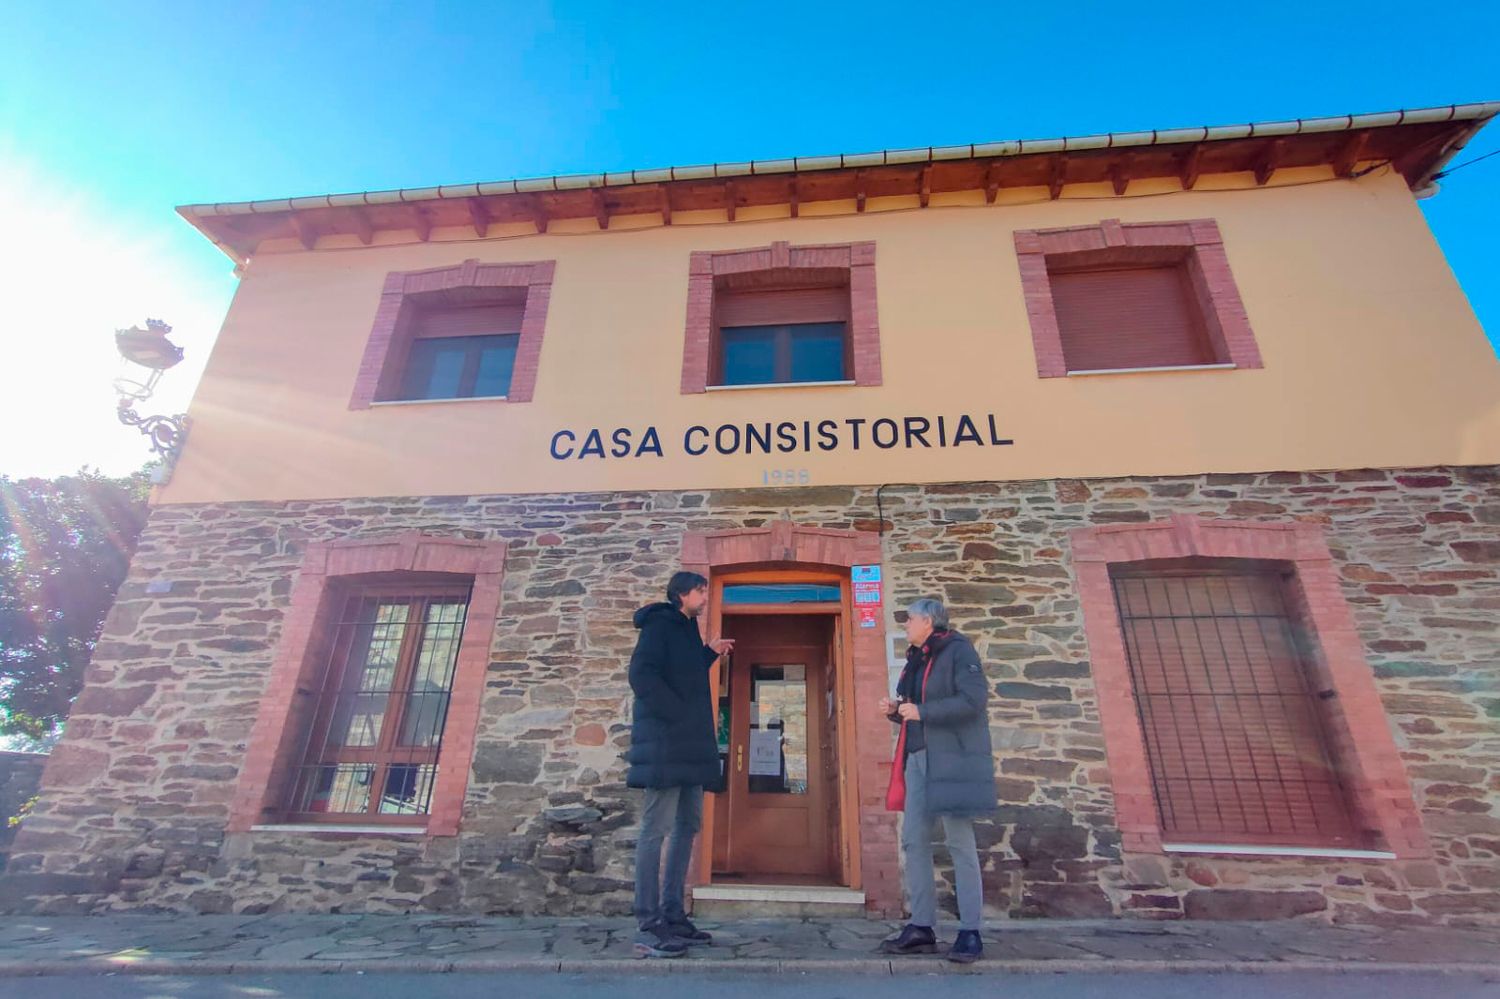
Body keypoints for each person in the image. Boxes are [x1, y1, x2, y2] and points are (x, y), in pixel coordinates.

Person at [878, 597, 997, 964]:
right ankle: (922, 926)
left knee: (960, 842)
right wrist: (898, 712)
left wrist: (923, 711)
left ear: (929, 621)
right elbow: (917, 709)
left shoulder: (959, 651)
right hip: (916, 758)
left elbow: (974, 700)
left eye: (910, 620)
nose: (906, 626)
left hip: (951, 761)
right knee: (914, 840)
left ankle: (971, 932)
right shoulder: (919, 658)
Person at [624, 571, 735, 959]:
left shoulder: (688, 629)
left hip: (689, 746)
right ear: (682, 594)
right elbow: (642, 675)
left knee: (689, 825)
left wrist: (709, 652)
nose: (705, 597)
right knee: (655, 830)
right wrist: (674, 715)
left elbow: (683, 677)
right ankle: (649, 921)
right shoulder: (659, 625)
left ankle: (673, 915)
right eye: (701, 591)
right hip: (665, 745)